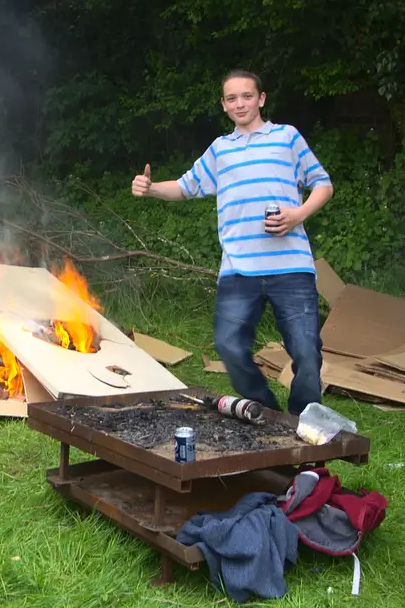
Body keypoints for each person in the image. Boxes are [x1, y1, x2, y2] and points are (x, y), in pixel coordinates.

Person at [130, 69, 333, 414]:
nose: (240, 103)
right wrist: (151, 189)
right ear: (224, 105)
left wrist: (297, 215)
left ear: (261, 99)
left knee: (306, 352)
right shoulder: (220, 150)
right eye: (232, 98)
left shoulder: (287, 137)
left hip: (291, 267)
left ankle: (303, 417)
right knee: (228, 345)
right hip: (239, 270)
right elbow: (185, 186)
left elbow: (323, 184)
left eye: (247, 96)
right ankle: (266, 412)